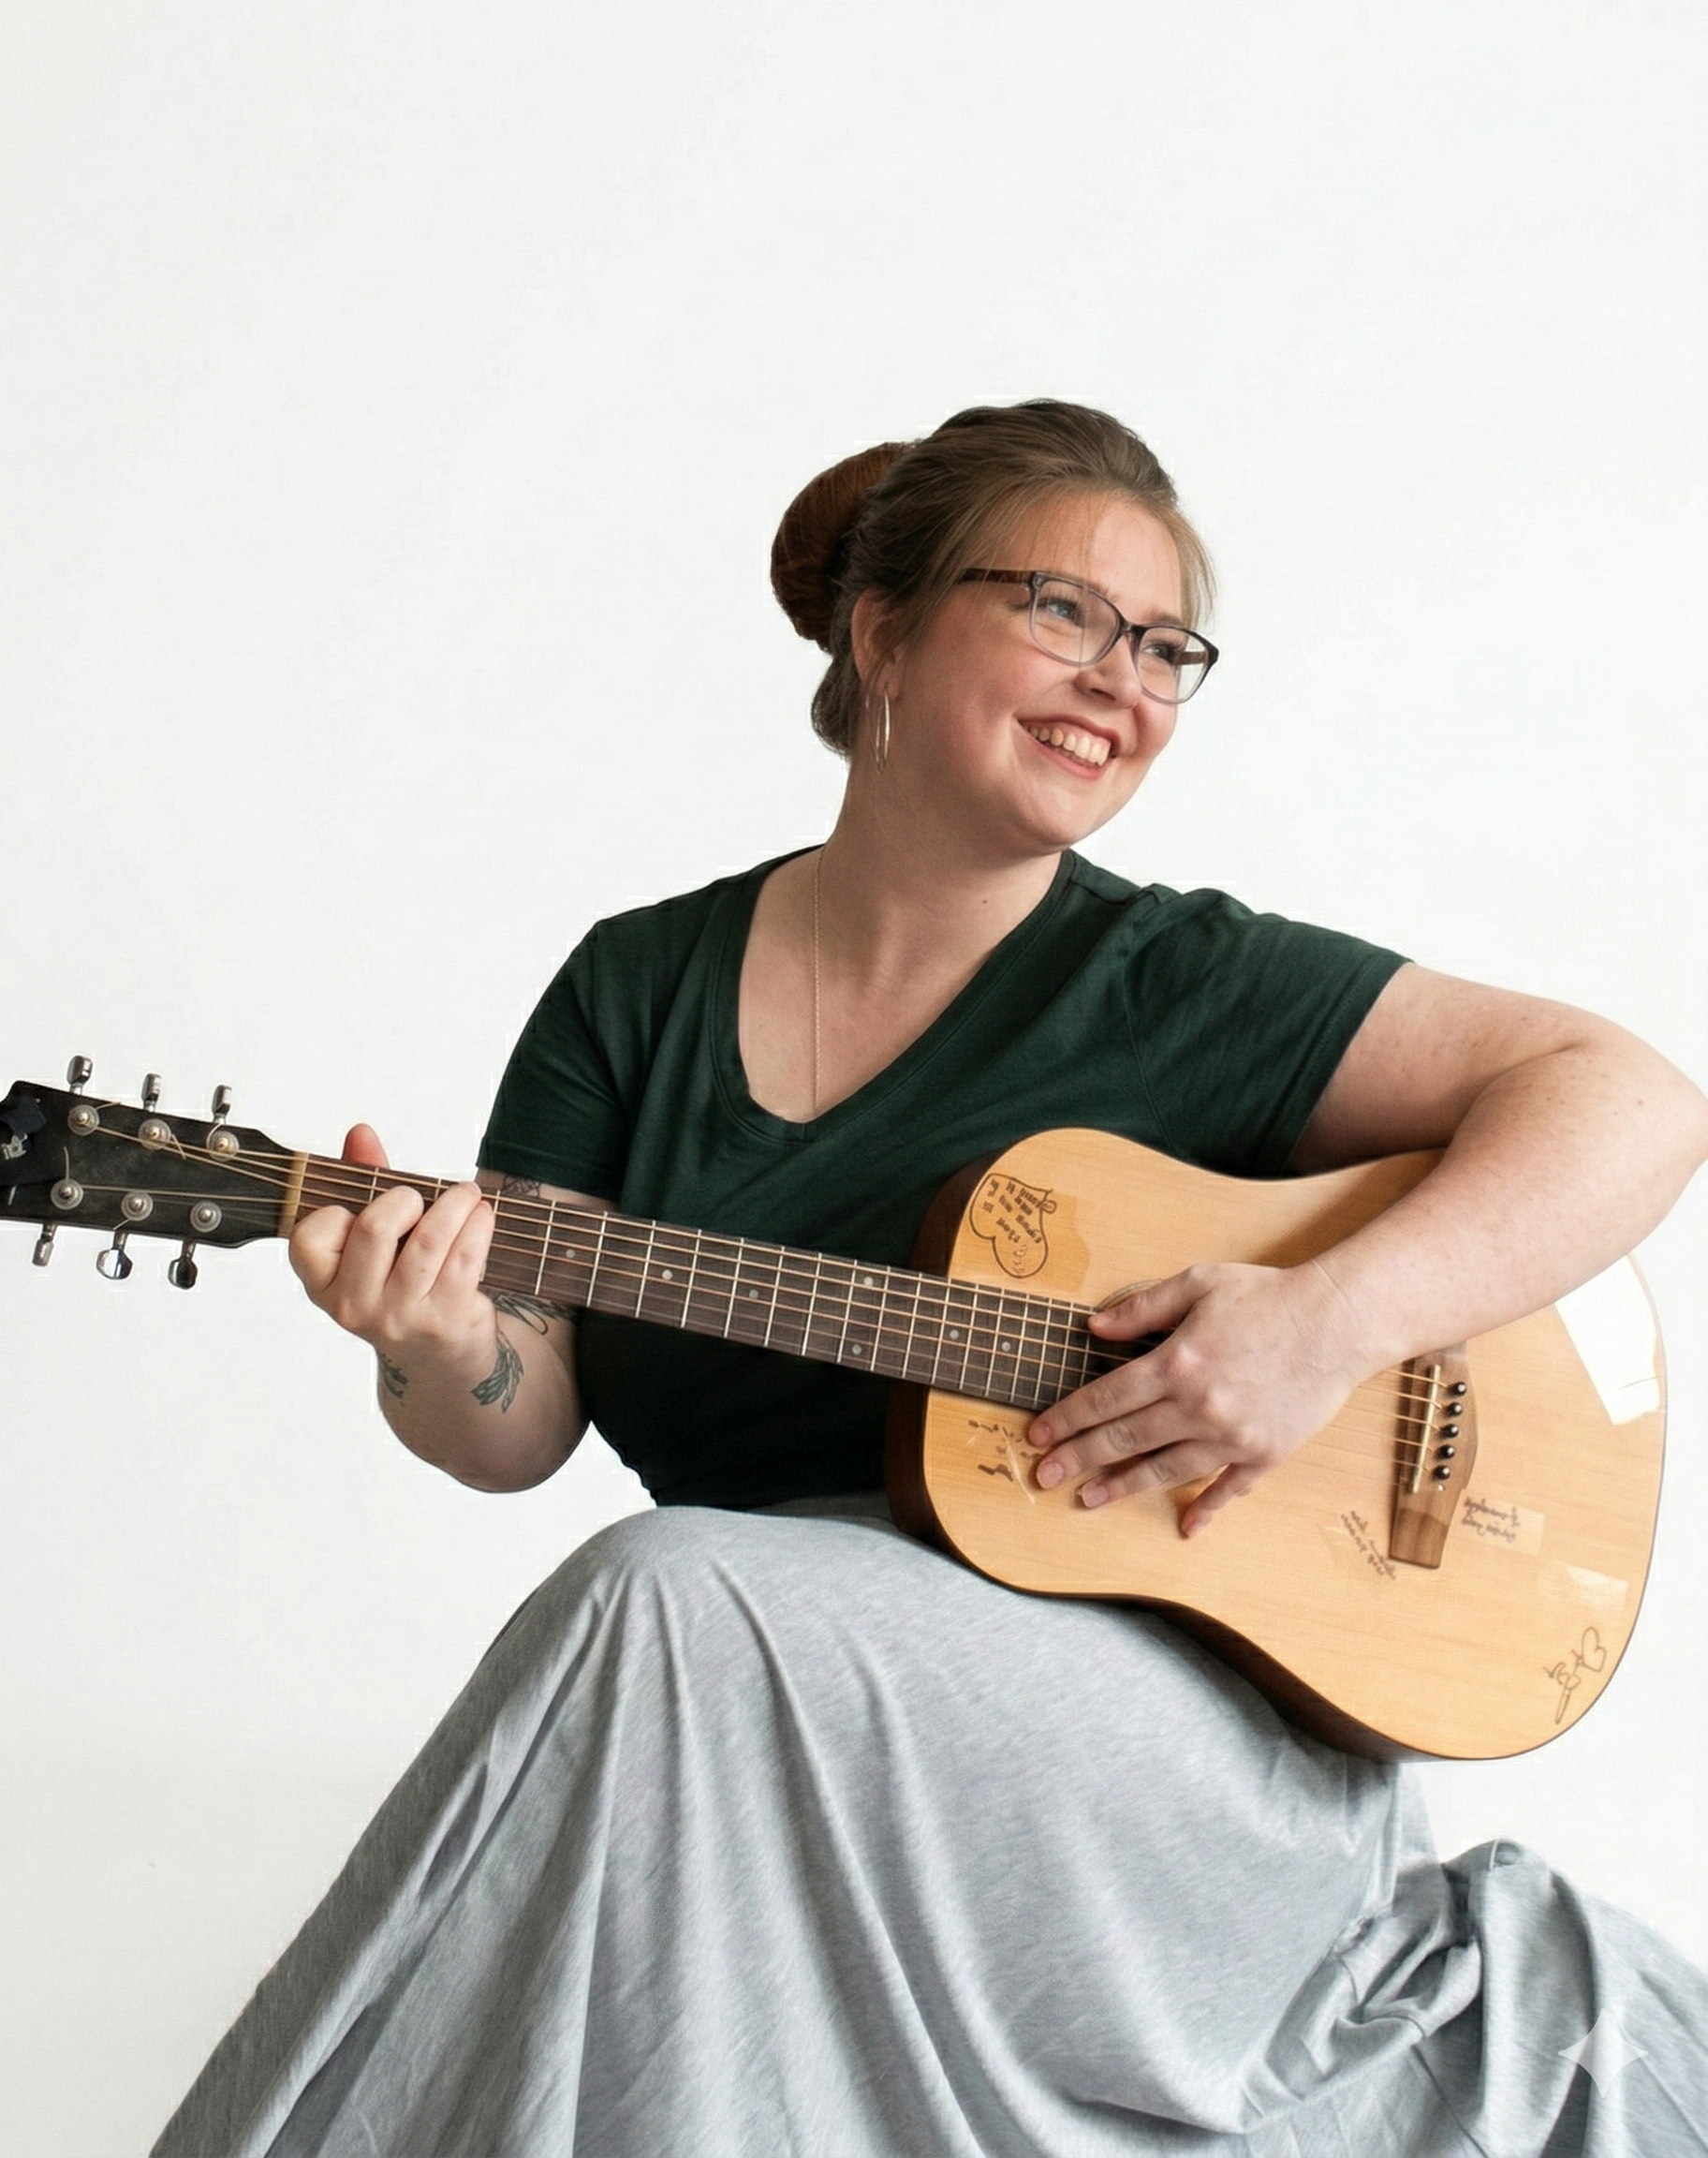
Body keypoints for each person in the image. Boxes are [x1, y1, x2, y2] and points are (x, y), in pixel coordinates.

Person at [154, 401, 1708, 2156]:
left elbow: (1635, 1105)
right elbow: (514, 1421)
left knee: (665, 1600)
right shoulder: (637, 989)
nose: (1120, 680)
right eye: (1061, 610)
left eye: (1167, 645)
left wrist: (1321, 1326)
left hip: (1176, 1731)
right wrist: (438, 1343)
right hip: (781, 1701)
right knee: (685, 1617)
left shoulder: (1176, 978)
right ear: (881, 635)